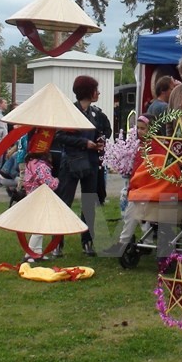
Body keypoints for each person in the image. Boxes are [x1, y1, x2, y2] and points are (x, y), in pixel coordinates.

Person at [103, 114, 182, 255]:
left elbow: (149, 171)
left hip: (158, 190)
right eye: (138, 128)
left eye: (143, 128)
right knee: (137, 205)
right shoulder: (144, 146)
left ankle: (125, 242)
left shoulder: (158, 147)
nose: (139, 131)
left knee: (136, 205)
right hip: (149, 189)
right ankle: (142, 242)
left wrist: (136, 185)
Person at [54, 76, 105, 257]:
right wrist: (85, 143)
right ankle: (57, 243)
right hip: (71, 162)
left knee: (89, 202)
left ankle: (87, 242)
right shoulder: (69, 111)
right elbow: (60, 136)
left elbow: (103, 131)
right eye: (95, 89)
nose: (98, 93)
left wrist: (99, 142)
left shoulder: (96, 113)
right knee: (64, 203)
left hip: (91, 163)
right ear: (88, 91)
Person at [23, 150, 60, 263]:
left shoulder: (31, 163)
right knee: (39, 228)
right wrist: (56, 180)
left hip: (32, 197)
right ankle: (29, 254)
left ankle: (38, 252)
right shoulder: (42, 166)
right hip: (40, 198)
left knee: (39, 225)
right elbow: (50, 184)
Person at [0, 97, 9, 187]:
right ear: (0, 104)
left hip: (2, 143)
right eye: (5, 103)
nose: (6, 104)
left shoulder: (1, 115)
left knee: (0, 162)